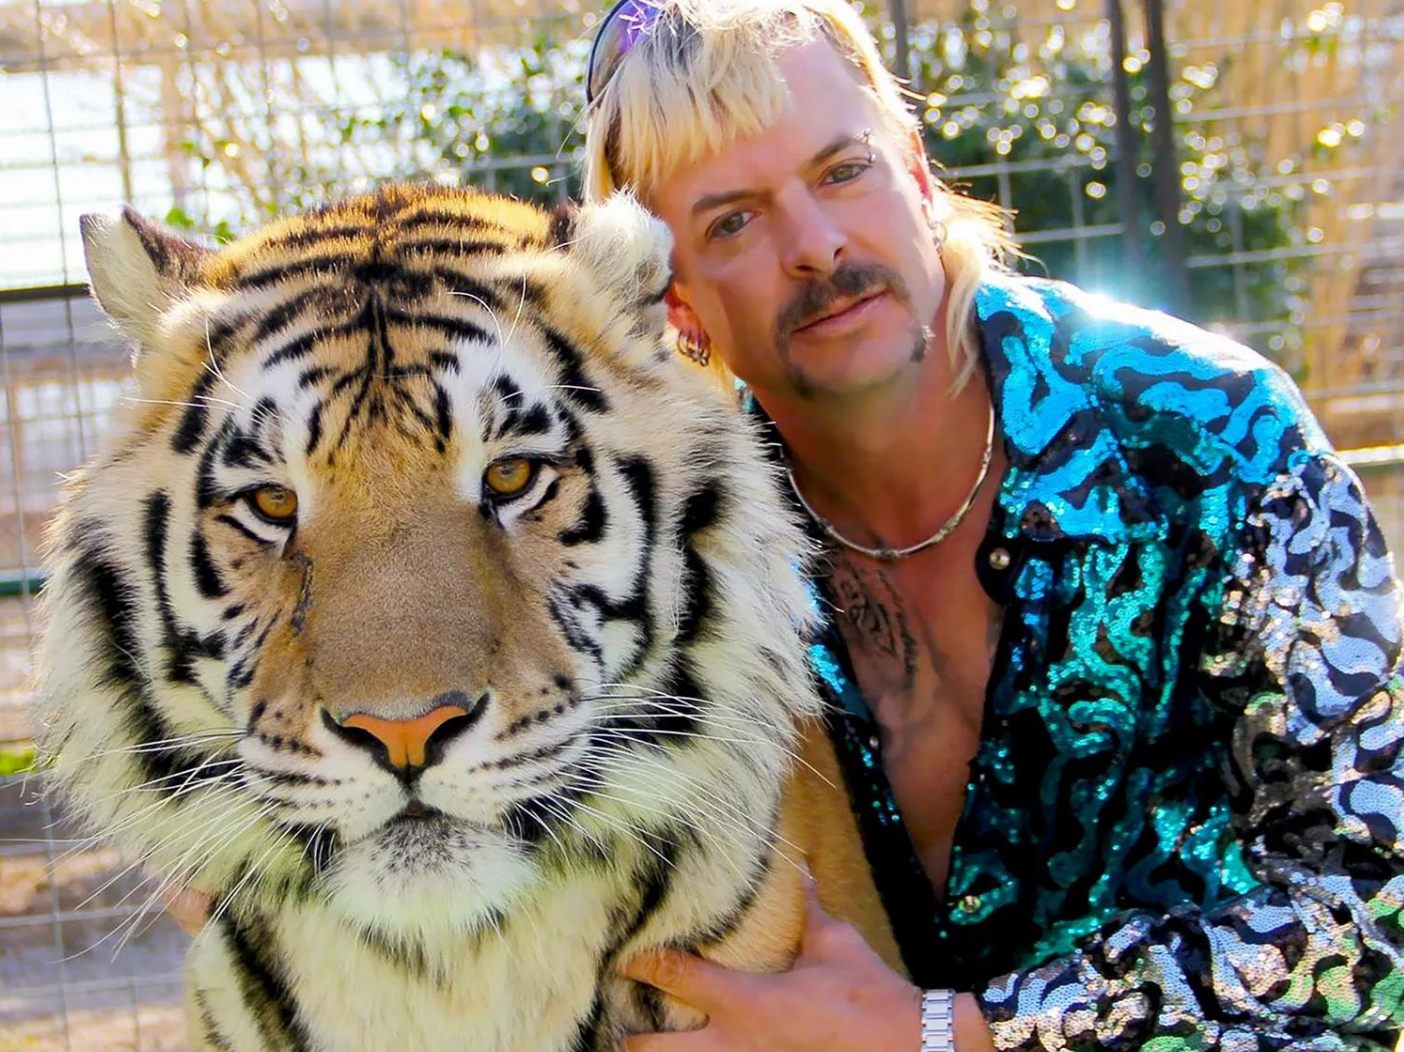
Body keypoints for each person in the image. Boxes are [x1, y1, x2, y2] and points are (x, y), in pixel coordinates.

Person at [579, 2, 1404, 1052]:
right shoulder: (679, 574)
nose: (817, 244)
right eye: (732, 221)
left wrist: (954, 1032)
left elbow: (1378, 910)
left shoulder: (1214, 434)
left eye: (844, 171)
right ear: (679, 304)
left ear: (917, 172)